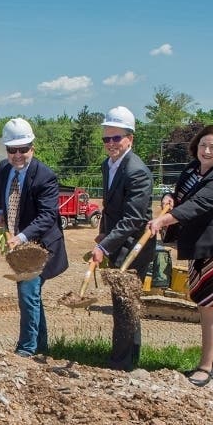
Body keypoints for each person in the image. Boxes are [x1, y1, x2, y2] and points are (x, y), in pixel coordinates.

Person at [147, 125, 213, 386]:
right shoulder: (191, 170)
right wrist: (169, 197)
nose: (207, 150)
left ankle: (205, 367)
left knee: (210, 307)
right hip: (199, 247)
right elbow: (181, 196)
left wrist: (163, 220)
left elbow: (197, 205)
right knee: (203, 303)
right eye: (203, 145)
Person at [0, 117, 68, 357]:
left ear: (32, 148)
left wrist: (21, 237)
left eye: (23, 149)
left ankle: (26, 350)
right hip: (19, 246)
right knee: (31, 296)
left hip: (40, 247)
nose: (17, 155)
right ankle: (41, 347)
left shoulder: (45, 176)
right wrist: (0, 211)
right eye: (12, 150)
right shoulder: (4, 169)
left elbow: (47, 217)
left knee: (27, 294)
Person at [88, 106, 155, 371]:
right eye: (107, 138)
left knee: (126, 305)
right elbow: (111, 207)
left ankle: (121, 363)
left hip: (135, 246)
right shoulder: (109, 165)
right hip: (118, 241)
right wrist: (104, 230)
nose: (111, 144)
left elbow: (133, 219)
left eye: (117, 138)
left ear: (130, 139)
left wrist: (103, 246)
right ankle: (128, 359)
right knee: (123, 304)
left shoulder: (136, 171)